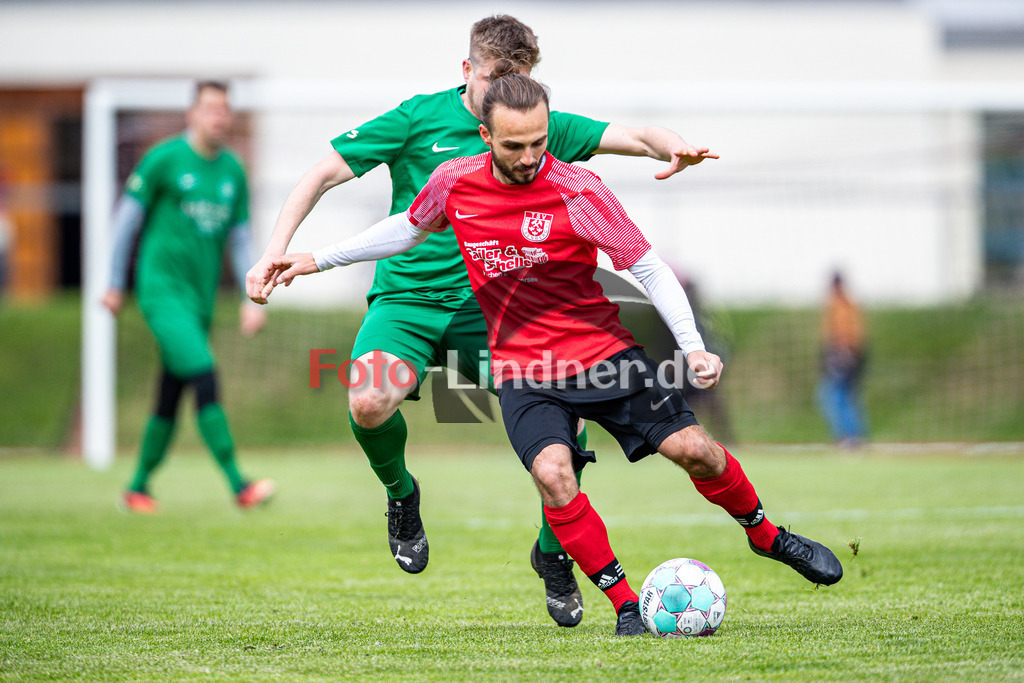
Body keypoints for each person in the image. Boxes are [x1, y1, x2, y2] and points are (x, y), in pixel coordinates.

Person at [261, 72, 844, 636]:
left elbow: (647, 268)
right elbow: (409, 228)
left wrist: (692, 348)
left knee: (696, 451)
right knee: (554, 473)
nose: (529, 155)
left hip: (602, 353)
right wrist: (316, 259)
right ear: (485, 136)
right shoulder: (455, 181)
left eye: (538, 141)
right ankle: (624, 604)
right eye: (514, 145)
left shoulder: (576, 188)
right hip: (524, 370)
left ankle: (768, 536)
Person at [245, 15, 717, 628]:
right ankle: (401, 497)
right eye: (496, 80)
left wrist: (672, 145)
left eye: (519, 83)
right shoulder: (417, 119)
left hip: (495, 310)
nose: (507, 100)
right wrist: (275, 250)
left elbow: (636, 136)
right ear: (467, 72)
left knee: (565, 433)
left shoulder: (531, 125)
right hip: (407, 302)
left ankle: (554, 558)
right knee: (367, 402)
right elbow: (322, 174)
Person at [103, 80, 275, 514]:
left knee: (170, 392)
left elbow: (238, 239)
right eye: (210, 108)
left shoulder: (233, 170)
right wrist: (113, 282)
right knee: (204, 375)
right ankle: (240, 485)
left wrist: (249, 291)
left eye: (224, 109)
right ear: (192, 114)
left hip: (199, 301)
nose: (219, 116)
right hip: (161, 292)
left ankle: (138, 487)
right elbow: (127, 221)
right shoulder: (164, 159)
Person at [817, 271, 868, 447]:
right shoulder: (846, 305)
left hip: (843, 355)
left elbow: (846, 333)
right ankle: (851, 435)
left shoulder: (841, 307)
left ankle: (851, 436)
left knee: (836, 396)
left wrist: (843, 352)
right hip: (846, 354)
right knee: (842, 396)